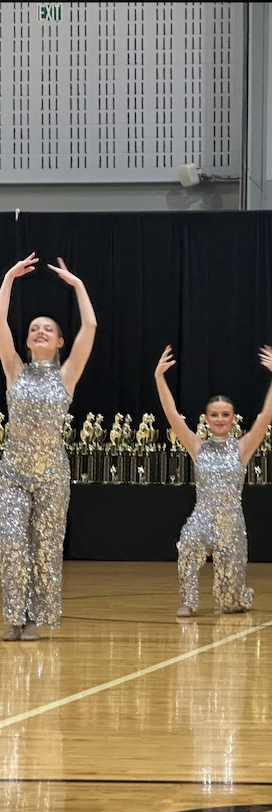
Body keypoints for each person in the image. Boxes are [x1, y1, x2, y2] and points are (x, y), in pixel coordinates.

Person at [0, 253, 97, 642]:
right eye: (34, 328)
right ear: (26, 340)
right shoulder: (14, 370)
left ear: (59, 341)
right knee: (11, 540)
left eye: (48, 329)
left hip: (53, 475)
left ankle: (38, 618)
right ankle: (13, 615)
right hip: (13, 474)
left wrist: (77, 285)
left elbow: (90, 325)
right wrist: (7, 280)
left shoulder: (67, 376)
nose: (40, 331)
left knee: (45, 547)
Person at [154, 344, 272, 616]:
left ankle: (237, 595)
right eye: (215, 414)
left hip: (231, 525)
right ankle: (188, 601)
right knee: (187, 542)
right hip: (202, 517)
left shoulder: (242, 447)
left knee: (229, 605)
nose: (220, 419)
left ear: (233, 419)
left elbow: (266, 416)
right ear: (206, 419)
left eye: (225, 415)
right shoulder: (197, 446)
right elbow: (173, 415)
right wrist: (159, 378)